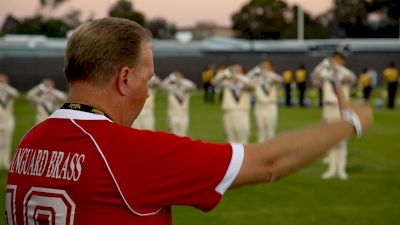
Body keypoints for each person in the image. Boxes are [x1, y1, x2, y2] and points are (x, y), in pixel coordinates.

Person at [6, 18, 372, 225]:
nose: (148, 92)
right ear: (124, 79)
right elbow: (269, 162)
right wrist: (350, 122)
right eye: (146, 80)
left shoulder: (29, 142)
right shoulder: (129, 153)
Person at [312, 52, 357, 180]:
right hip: (329, 108)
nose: (335, 62)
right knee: (330, 139)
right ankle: (331, 169)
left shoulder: (345, 74)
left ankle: (341, 169)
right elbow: (314, 76)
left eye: (338, 60)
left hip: (342, 108)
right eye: (334, 60)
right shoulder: (325, 74)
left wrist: (338, 68)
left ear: (343, 62)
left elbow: (352, 78)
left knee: (342, 140)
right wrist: (324, 63)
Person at [212, 64, 254, 144]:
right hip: (229, 113)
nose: (235, 72)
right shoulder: (226, 83)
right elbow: (214, 81)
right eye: (234, 70)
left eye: (238, 70)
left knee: (242, 138)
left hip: (242, 113)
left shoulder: (246, 83)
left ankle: (243, 156)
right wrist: (225, 72)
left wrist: (238, 77)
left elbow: (251, 85)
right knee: (230, 138)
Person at [247, 60, 283, 143]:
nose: (264, 68)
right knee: (260, 129)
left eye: (267, 66)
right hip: (260, 106)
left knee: (270, 129)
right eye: (263, 66)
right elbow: (247, 78)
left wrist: (268, 73)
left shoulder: (273, 78)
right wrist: (255, 70)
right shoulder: (256, 79)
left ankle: (271, 151)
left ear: (271, 67)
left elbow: (280, 79)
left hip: (271, 106)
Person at [162, 71, 196, 136]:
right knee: (173, 134)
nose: (178, 79)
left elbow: (193, 86)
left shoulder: (186, 89)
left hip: (184, 115)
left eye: (179, 77)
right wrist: (170, 78)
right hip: (173, 116)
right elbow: (162, 85)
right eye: (176, 78)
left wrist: (182, 80)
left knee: (183, 134)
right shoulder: (170, 88)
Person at [0, 74, 19, 170]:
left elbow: (16, 93)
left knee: (7, 142)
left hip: (8, 120)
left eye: (3, 81)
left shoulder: (10, 92)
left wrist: (4, 86)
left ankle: (5, 162)